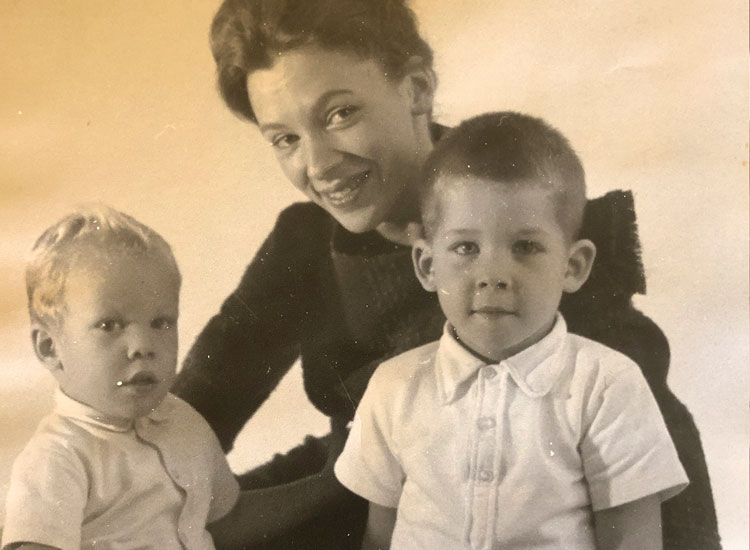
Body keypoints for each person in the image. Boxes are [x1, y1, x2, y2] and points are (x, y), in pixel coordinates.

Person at [172, 1, 720, 548]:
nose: (318, 165)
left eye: (339, 114)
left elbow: (656, 452)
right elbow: (195, 404)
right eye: (285, 138)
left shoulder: (526, 219)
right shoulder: (305, 238)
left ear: (416, 88)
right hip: (353, 495)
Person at [334, 112, 689, 550]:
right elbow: (380, 536)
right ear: (428, 265)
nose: (493, 274)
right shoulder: (394, 386)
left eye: (525, 247)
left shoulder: (607, 385)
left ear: (572, 266)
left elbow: (634, 541)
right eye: (466, 247)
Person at [1, 205, 265, 550]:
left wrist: (336, 482)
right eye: (109, 325)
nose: (143, 346)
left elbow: (230, 519)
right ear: (51, 348)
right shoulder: (59, 458)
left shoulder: (186, 423)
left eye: (161, 322)